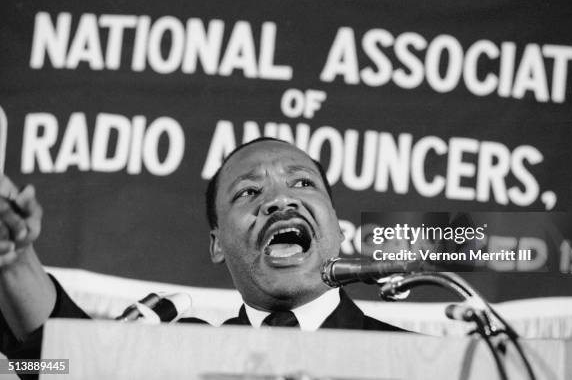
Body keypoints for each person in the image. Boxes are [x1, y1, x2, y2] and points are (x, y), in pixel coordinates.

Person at [0, 138, 403, 361]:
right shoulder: (176, 355)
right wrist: (14, 262)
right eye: (248, 191)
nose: (280, 201)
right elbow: (69, 362)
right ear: (217, 244)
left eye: (301, 184)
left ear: (336, 226)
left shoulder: (421, 360)